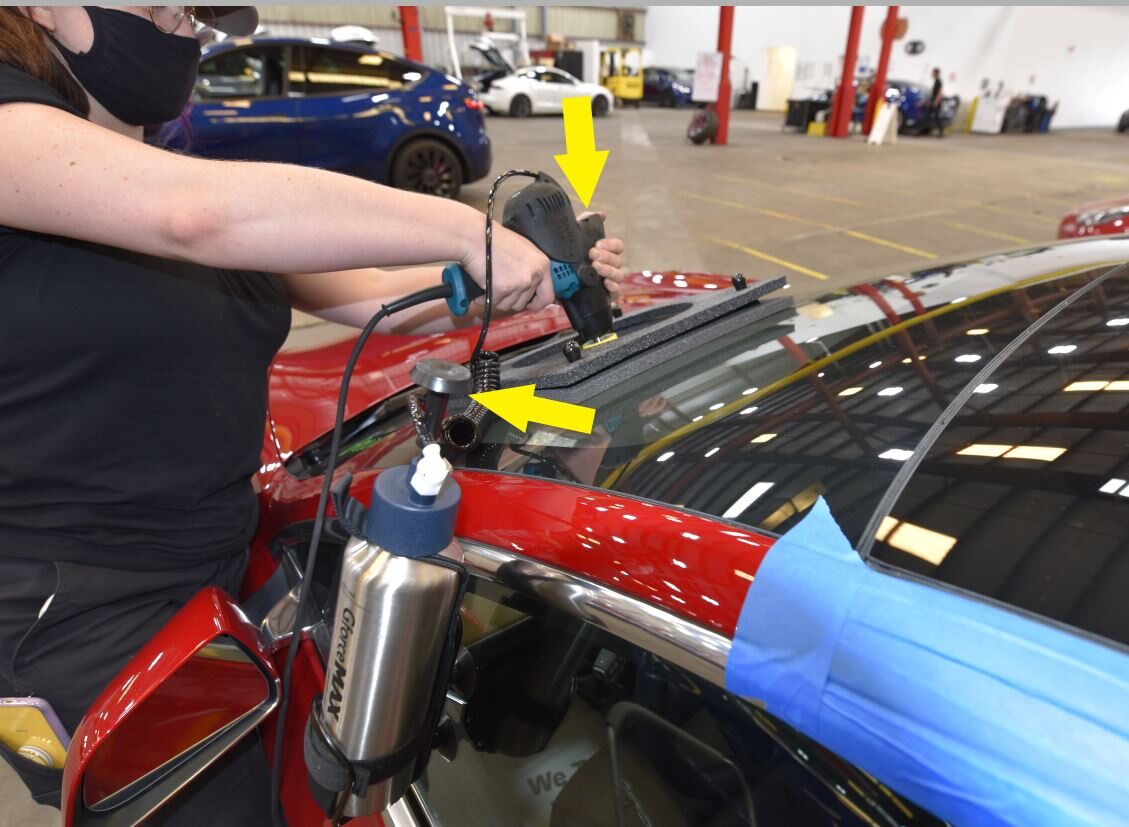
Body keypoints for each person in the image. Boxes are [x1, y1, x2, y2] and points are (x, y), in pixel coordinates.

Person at [0, 6, 625, 823]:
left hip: (218, 566)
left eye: (198, 18)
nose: (185, 27)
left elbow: (374, 298)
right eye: (166, 8)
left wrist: (523, 281)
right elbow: (195, 214)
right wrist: (465, 229)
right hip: (74, 613)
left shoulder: (163, 166)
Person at [922, 67, 945, 137]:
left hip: (936, 103)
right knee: (927, 116)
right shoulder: (936, 81)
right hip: (933, 102)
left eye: (933, 73)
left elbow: (940, 93)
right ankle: (923, 129)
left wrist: (935, 102)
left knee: (936, 117)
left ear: (936, 73)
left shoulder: (938, 81)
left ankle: (941, 131)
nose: (932, 74)